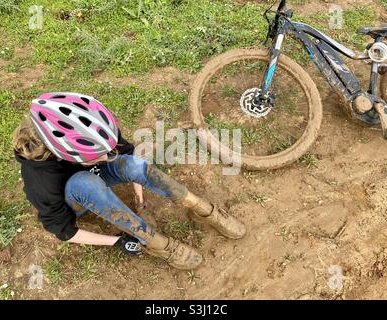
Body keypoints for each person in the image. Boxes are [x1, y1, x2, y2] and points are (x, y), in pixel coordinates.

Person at [13, 92, 246, 270]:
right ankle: (155, 244)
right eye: (98, 155)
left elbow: (128, 154)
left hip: (87, 171)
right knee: (85, 183)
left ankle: (201, 208)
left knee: (131, 163)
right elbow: (64, 231)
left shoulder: (91, 129)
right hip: (75, 196)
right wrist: (115, 242)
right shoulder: (41, 180)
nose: (109, 157)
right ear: (67, 154)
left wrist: (139, 198)